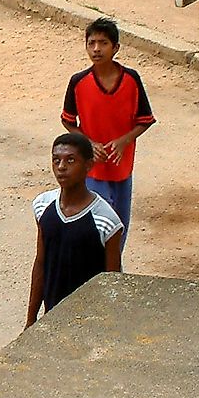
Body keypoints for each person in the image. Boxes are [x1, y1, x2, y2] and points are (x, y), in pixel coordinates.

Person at [61, 17, 155, 249]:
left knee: (119, 229)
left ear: (115, 48)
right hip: (93, 170)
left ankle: (113, 274)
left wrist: (124, 141)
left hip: (122, 169)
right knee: (97, 229)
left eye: (103, 43)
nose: (96, 49)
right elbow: (68, 121)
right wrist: (88, 143)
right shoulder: (78, 82)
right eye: (91, 43)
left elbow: (145, 120)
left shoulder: (131, 80)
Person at [26, 133, 124, 327]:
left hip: (90, 323)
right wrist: (31, 320)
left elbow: (113, 281)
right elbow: (41, 263)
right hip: (52, 318)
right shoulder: (42, 206)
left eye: (71, 160)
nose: (61, 167)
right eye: (56, 160)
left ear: (88, 165)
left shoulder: (105, 220)